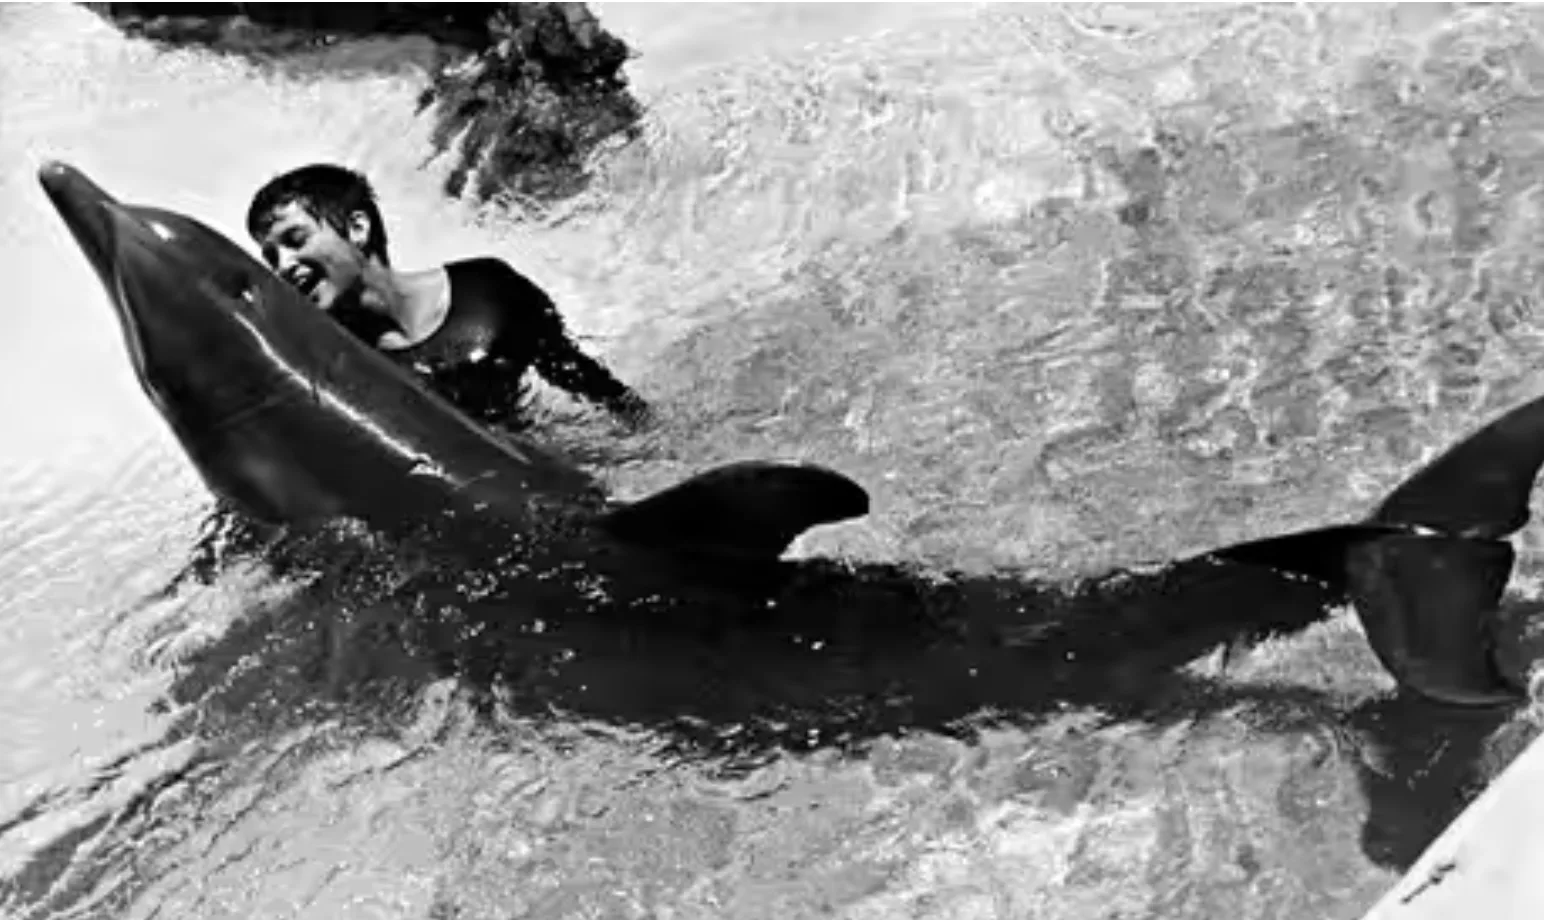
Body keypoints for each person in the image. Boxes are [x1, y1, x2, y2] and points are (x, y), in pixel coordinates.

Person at [244, 163, 654, 432]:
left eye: (295, 239)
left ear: (357, 228)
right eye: (271, 258)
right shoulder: (326, 362)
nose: (283, 266)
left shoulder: (488, 291)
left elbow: (589, 383)